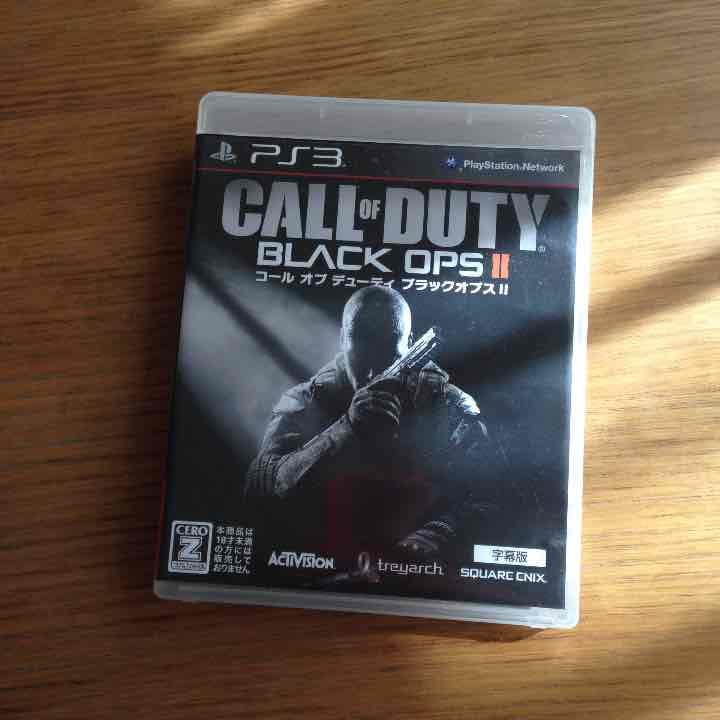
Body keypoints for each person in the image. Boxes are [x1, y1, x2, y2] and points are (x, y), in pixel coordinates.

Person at [245, 286, 493, 562]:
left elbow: (494, 496)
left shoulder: (448, 403)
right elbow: (260, 488)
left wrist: (440, 532)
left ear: (410, 343)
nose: (374, 373)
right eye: (363, 351)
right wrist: (345, 429)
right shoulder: (305, 400)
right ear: (342, 338)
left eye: (388, 353)